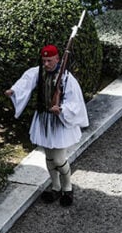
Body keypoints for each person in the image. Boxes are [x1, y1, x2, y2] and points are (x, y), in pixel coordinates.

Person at [5, 45, 89, 207]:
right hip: (43, 119)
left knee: (58, 158)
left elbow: (75, 101)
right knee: (49, 157)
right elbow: (26, 82)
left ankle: (68, 187)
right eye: (44, 60)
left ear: (57, 59)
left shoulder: (66, 78)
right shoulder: (38, 72)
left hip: (60, 122)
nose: (46, 64)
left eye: (49, 60)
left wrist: (62, 109)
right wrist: (14, 91)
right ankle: (56, 187)